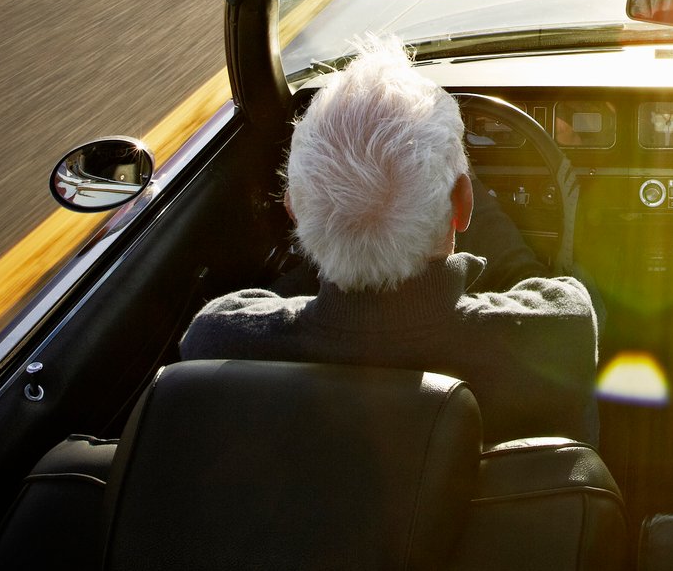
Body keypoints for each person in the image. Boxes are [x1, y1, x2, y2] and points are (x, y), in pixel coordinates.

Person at [179, 37, 598, 445]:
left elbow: (293, 302)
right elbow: (541, 287)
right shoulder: (560, 332)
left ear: (294, 210)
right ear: (463, 204)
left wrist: (342, 236)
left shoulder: (218, 344)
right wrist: (472, 203)